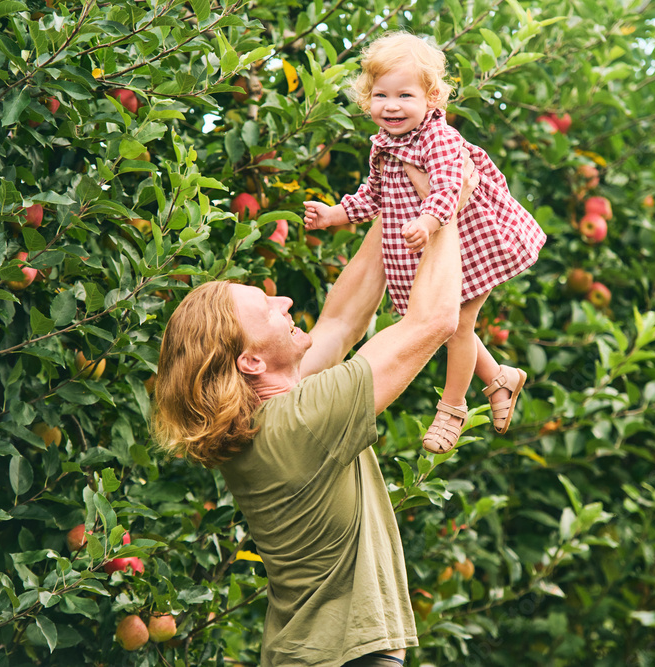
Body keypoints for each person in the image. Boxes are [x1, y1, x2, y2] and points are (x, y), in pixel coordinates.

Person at [153, 157, 478, 666]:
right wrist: (447, 208)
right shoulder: (301, 422)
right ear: (251, 360)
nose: (283, 301)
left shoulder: (272, 416)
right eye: (267, 307)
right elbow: (434, 320)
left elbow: (345, 319)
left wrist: (401, 180)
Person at [303, 31, 546, 455]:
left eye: (405, 95)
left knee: (458, 325)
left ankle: (452, 408)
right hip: (436, 245)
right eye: (381, 95)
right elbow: (373, 196)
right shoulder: (385, 144)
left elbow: (450, 185)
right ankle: (499, 378)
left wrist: (430, 219)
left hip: (472, 239)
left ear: (432, 99)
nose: (391, 106)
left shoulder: (438, 137)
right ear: (367, 99)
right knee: (457, 325)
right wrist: (334, 215)